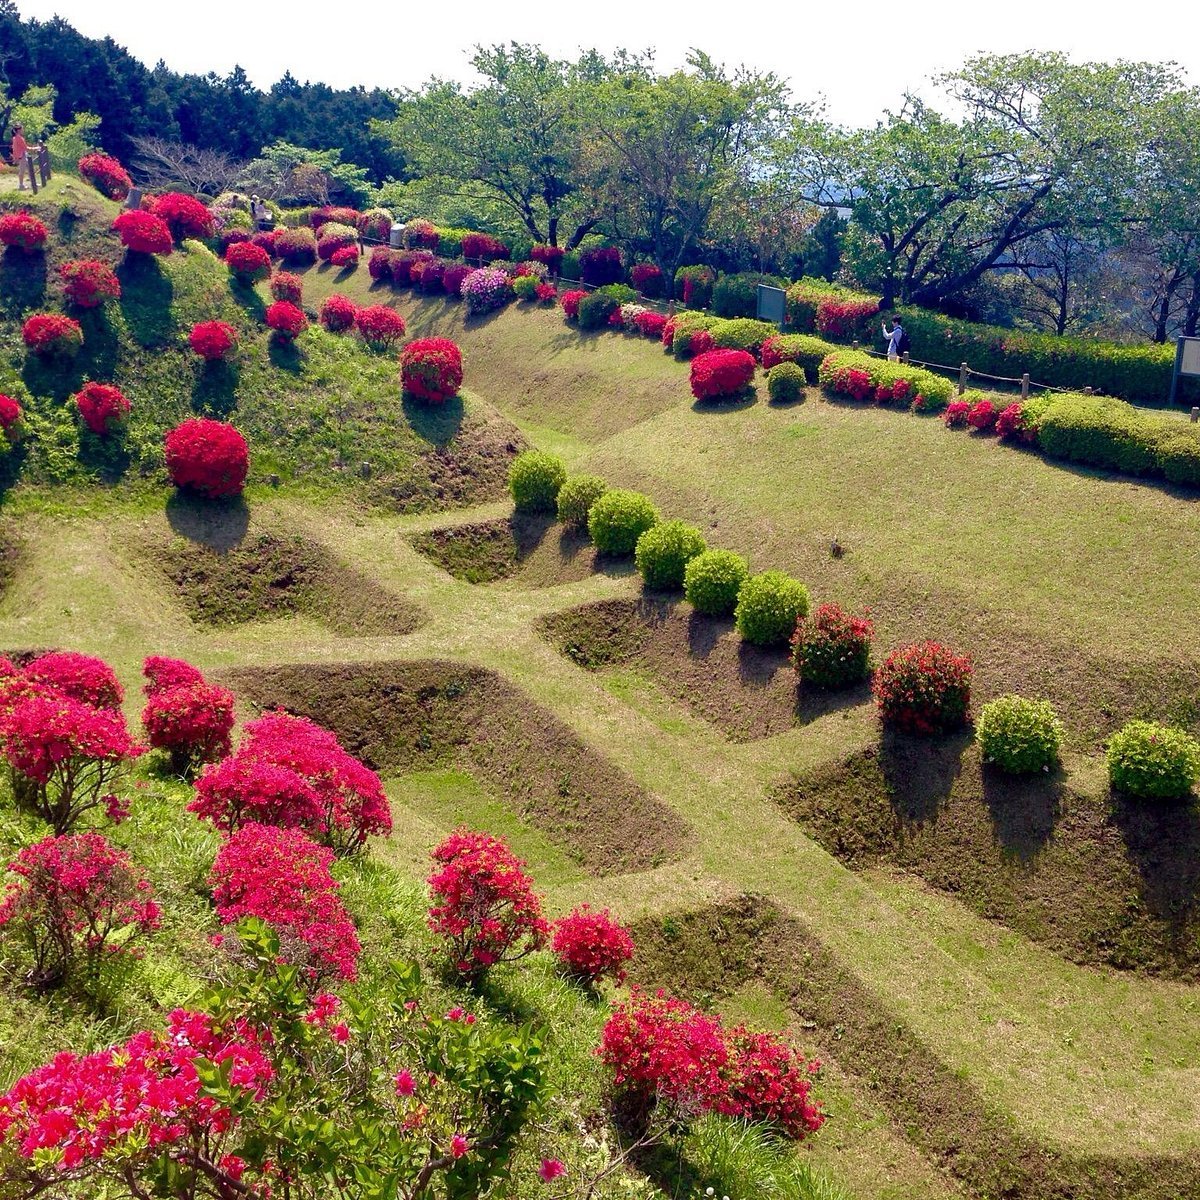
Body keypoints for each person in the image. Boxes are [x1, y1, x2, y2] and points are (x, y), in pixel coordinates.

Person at [10, 124, 29, 190]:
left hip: (21, 156)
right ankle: (21, 186)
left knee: (29, 169)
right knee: (22, 171)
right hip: (22, 156)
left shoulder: (15, 137)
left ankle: (32, 183)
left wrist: (15, 157)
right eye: (22, 129)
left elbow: (14, 148)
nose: (23, 130)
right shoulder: (19, 138)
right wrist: (36, 148)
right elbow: (26, 148)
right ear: (18, 130)